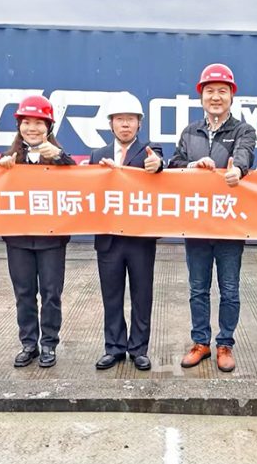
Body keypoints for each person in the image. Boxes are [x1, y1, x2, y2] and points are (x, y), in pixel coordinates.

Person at [168, 63, 256, 372]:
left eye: (222, 91)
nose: (215, 97)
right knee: (198, 288)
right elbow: (175, 162)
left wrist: (237, 170)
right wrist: (192, 166)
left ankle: (225, 344)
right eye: (209, 91)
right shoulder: (190, 132)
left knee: (229, 289)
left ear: (231, 96)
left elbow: (245, 154)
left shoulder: (243, 130)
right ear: (201, 96)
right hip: (197, 223)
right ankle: (200, 342)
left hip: (229, 224)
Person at [0, 95, 76, 368]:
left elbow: (81, 182)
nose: (32, 128)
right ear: (19, 126)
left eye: (39, 123)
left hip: (51, 239)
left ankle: (49, 344)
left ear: (49, 127)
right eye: (26, 122)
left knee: (51, 294)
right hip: (18, 239)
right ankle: (28, 343)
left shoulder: (60, 156)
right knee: (24, 293)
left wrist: (61, 158)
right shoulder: (8, 158)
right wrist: (2, 171)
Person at [89, 92, 165, 372]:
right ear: (111, 123)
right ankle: (114, 347)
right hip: (108, 239)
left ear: (139, 123)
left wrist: (157, 165)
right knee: (111, 296)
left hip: (139, 239)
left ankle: (139, 349)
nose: (125, 124)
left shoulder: (150, 151)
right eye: (119, 119)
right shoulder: (98, 155)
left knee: (142, 295)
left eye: (130, 119)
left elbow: (160, 166)